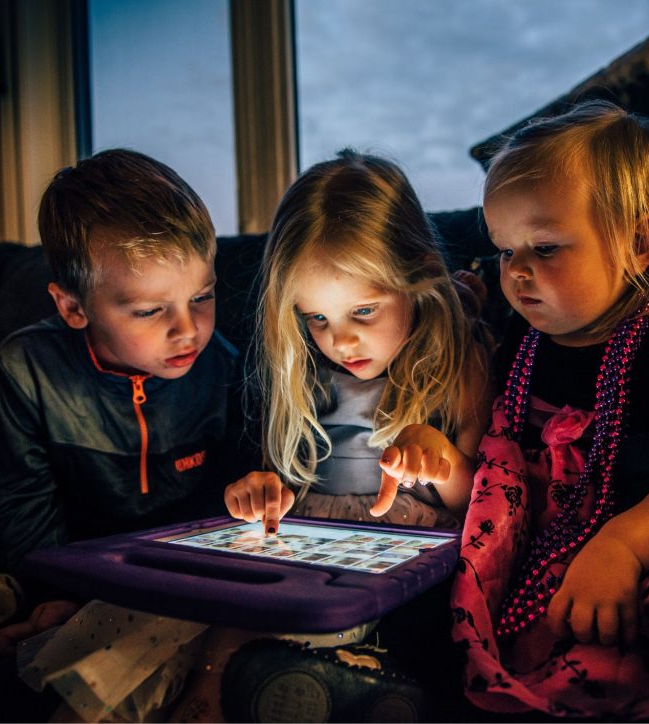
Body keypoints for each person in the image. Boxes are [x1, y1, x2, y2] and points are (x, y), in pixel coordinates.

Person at [450, 100, 649, 716]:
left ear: (639, 243)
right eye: (503, 250)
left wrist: (620, 549)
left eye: (544, 248)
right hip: (515, 568)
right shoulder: (516, 344)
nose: (516, 272)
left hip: (625, 569)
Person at [168, 149, 493, 722]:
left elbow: (484, 504)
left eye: (363, 311)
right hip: (315, 540)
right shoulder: (306, 371)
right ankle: (212, 691)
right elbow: (283, 477)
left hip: (412, 556)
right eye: (317, 318)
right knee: (239, 597)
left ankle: (351, 684)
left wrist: (440, 461)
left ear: (416, 275)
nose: (339, 341)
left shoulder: (456, 358)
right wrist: (262, 492)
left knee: (403, 625)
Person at [0, 149, 253, 717]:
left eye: (201, 297)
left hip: (180, 569)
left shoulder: (225, 367)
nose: (188, 330)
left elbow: (231, 497)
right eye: (149, 311)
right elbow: (20, 502)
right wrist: (55, 590)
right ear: (73, 307)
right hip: (79, 557)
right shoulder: (26, 369)